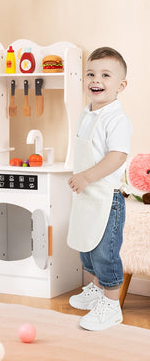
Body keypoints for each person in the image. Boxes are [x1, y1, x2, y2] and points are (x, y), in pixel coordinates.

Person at [67, 47, 132, 331]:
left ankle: (110, 304)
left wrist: (86, 177)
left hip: (107, 197)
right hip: (87, 194)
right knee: (87, 247)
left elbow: (117, 156)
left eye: (106, 75)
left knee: (105, 251)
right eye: (91, 74)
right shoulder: (88, 112)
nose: (96, 79)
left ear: (121, 85)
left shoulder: (116, 119)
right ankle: (95, 290)